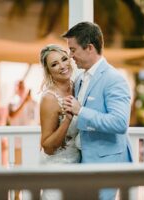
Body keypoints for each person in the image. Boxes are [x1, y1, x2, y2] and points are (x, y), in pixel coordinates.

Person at [62, 21, 132, 200]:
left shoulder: (114, 79)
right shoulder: (79, 80)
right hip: (84, 161)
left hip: (107, 163)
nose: (70, 56)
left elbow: (119, 123)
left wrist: (81, 111)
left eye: (73, 49)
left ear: (89, 48)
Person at [39, 44, 81, 199]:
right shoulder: (49, 99)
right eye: (54, 64)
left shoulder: (78, 86)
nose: (62, 66)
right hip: (57, 167)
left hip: (78, 164)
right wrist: (67, 120)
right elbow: (47, 147)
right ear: (49, 71)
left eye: (64, 59)